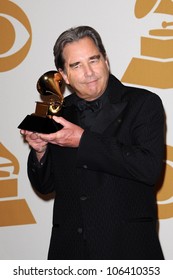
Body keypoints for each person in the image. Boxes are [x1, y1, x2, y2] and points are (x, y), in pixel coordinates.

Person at [20, 25, 165, 260]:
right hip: (69, 253)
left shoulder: (143, 104)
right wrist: (40, 151)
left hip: (128, 252)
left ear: (106, 61)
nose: (89, 72)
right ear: (63, 75)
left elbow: (148, 168)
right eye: (76, 65)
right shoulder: (58, 113)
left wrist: (83, 141)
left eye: (93, 60)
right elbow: (44, 186)